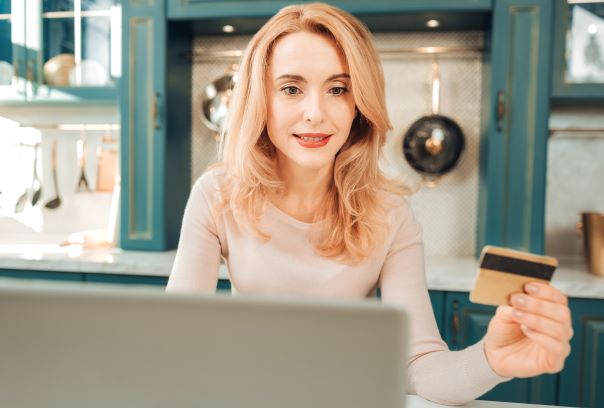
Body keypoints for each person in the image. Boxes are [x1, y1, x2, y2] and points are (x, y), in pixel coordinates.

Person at [166, 3, 573, 405]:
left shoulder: (390, 213)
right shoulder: (217, 194)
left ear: (358, 103)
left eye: (338, 89)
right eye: (291, 89)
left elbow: (420, 364)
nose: (315, 113)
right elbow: (174, 339)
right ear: (261, 100)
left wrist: (492, 360)